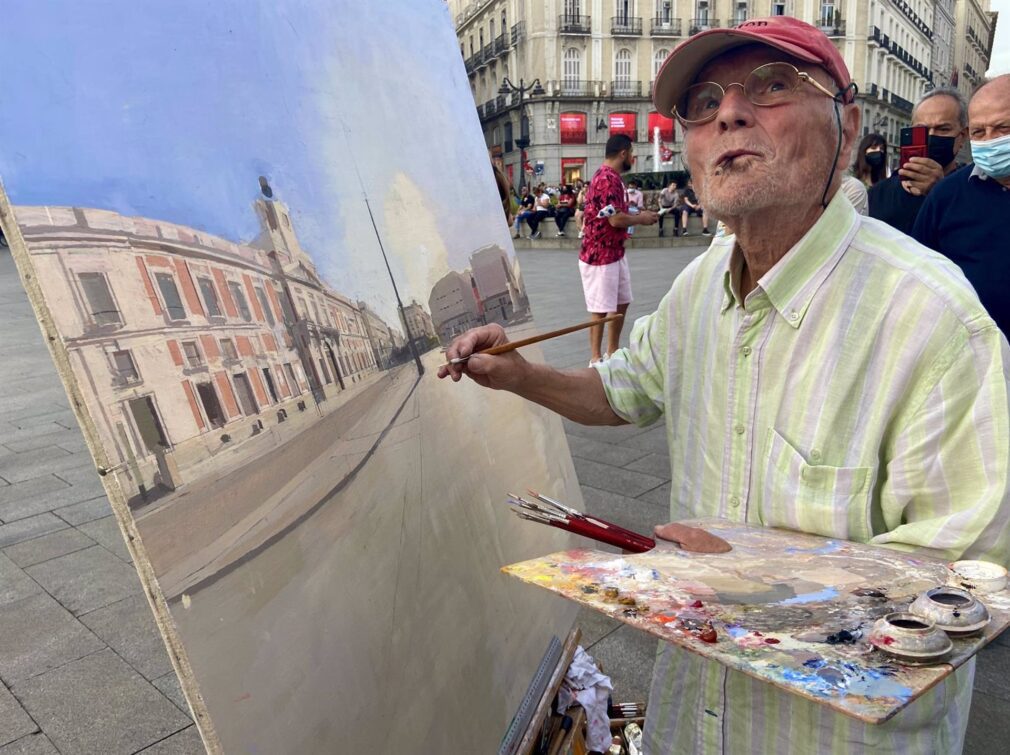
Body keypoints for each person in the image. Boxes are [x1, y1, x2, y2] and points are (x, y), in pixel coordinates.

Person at [439, 17, 1010, 754]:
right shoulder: (699, 283)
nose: (729, 114)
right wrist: (521, 376)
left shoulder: (934, 320)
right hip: (695, 717)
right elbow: (624, 390)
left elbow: (970, 579)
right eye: (702, 104)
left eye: (773, 86)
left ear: (850, 126)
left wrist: (759, 574)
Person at [913, 74, 1010, 337]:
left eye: (1002, 128)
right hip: (972, 362)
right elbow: (918, 278)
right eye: (979, 131)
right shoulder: (946, 195)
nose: (990, 140)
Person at [576, 133, 657, 364]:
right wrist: (641, 218)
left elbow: (612, 215)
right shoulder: (606, 179)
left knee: (622, 301)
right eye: (631, 153)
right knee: (600, 309)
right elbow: (614, 220)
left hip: (613, 252)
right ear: (623, 153)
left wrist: (634, 215)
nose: (632, 157)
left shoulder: (611, 178)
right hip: (599, 255)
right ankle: (595, 359)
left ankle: (612, 352)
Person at [868, 87, 968, 235]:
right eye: (922, 129)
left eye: (943, 129)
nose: (931, 136)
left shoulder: (972, 195)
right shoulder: (880, 194)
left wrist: (940, 192)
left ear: (963, 136)